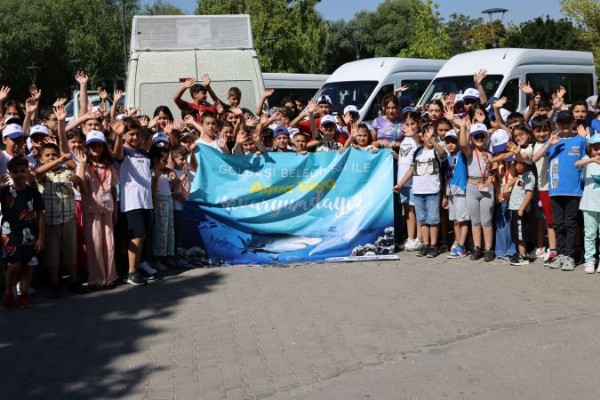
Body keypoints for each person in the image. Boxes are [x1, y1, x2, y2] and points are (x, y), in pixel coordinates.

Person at [35, 143, 86, 297]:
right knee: (52, 255)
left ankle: (74, 280)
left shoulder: (68, 173)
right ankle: (54, 283)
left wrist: (78, 180)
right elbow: (37, 172)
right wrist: (59, 160)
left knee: (70, 252)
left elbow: (83, 191)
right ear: (41, 159)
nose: (52, 157)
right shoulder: (43, 175)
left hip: (68, 219)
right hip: (49, 221)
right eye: (48, 155)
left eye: (54, 154)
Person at [543, 110, 587, 271]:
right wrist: (550, 142)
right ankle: (560, 254)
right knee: (558, 224)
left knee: (571, 224)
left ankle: (569, 255)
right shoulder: (553, 140)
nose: (564, 126)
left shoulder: (581, 141)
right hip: (555, 189)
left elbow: (588, 159)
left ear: (573, 123)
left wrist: (587, 138)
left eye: (567, 122)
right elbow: (542, 156)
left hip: (574, 190)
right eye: (561, 123)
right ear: (557, 124)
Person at [112, 118, 154, 286]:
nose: (135, 137)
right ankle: (131, 272)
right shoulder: (123, 150)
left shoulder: (144, 152)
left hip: (146, 201)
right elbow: (116, 154)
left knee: (142, 236)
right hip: (131, 202)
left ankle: (136, 268)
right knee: (137, 236)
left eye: (138, 134)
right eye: (131, 134)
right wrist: (118, 135)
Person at [394, 123, 446, 257]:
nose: (429, 138)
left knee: (433, 219)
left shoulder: (436, 150)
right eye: (427, 135)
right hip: (418, 191)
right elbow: (411, 169)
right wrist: (400, 184)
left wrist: (434, 140)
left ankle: (434, 245)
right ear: (422, 137)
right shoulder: (417, 151)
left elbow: (442, 153)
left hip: (433, 190)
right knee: (422, 220)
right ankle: (426, 244)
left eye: (432, 135)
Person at [76, 131, 119, 289]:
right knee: (94, 244)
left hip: (107, 209)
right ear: (87, 147)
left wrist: (115, 210)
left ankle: (109, 277)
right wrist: (81, 164)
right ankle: (96, 278)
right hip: (91, 210)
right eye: (92, 144)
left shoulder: (109, 165)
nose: (96, 147)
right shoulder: (85, 165)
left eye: (99, 144)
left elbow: (113, 189)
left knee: (108, 243)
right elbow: (80, 185)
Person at [1, 157, 45, 309]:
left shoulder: (33, 192)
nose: (20, 174)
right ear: (10, 173)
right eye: (16, 172)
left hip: (30, 233)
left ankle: (24, 293)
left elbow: (40, 215)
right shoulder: (5, 191)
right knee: (14, 265)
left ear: (27, 171)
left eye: (22, 171)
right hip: (10, 233)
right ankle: (8, 293)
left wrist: (41, 238)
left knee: (28, 265)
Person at [457, 120, 497, 262]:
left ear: (486, 137)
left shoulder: (491, 153)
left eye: (482, 136)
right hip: (472, 187)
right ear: (472, 139)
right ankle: (477, 247)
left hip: (486, 188)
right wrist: (463, 127)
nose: (479, 139)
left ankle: (488, 249)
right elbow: (462, 144)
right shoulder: (470, 152)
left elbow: (494, 170)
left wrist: (490, 179)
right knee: (475, 221)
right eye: (476, 137)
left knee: (486, 220)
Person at [150, 140, 178, 270]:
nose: (166, 162)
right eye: (163, 160)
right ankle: (157, 259)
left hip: (168, 201)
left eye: (167, 160)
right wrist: (154, 205)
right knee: (159, 233)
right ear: (155, 159)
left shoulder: (166, 171)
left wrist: (171, 172)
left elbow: (173, 186)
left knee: (169, 231)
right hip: (159, 202)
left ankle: (168, 256)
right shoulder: (154, 172)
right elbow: (154, 189)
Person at [575, 134, 600, 273]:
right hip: (589, 204)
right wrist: (592, 159)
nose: (598, 151)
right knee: (590, 233)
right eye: (595, 148)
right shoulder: (587, 160)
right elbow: (576, 164)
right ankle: (589, 260)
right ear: (590, 149)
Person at [442, 130, 469, 258]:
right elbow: (446, 178)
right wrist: (445, 196)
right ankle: (458, 243)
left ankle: (462, 247)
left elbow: (464, 144)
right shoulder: (447, 159)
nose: (451, 145)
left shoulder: (462, 155)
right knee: (455, 221)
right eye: (448, 142)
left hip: (460, 190)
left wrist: (462, 129)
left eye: (453, 142)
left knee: (462, 220)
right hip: (450, 192)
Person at [506, 160, 536, 266]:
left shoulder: (530, 177)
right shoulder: (521, 176)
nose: (516, 165)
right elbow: (514, 181)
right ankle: (520, 253)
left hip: (520, 210)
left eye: (519, 163)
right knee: (516, 233)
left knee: (520, 234)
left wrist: (522, 208)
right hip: (514, 208)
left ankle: (523, 257)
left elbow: (529, 195)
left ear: (525, 165)